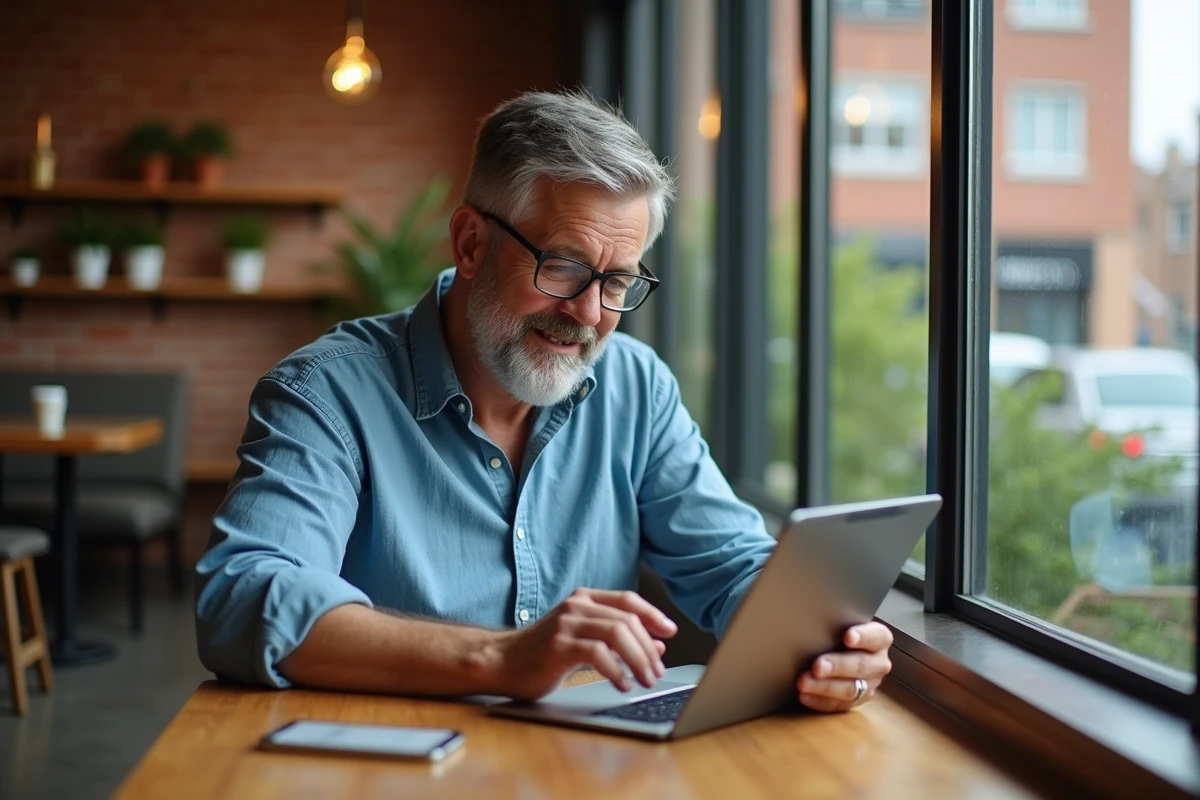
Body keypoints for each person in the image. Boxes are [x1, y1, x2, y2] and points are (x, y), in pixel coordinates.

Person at [194, 90, 892, 712]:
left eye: (617, 282)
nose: (589, 314)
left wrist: (826, 642)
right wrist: (501, 659)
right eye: (562, 266)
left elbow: (730, 565)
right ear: (471, 243)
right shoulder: (326, 392)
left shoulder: (636, 388)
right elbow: (242, 598)